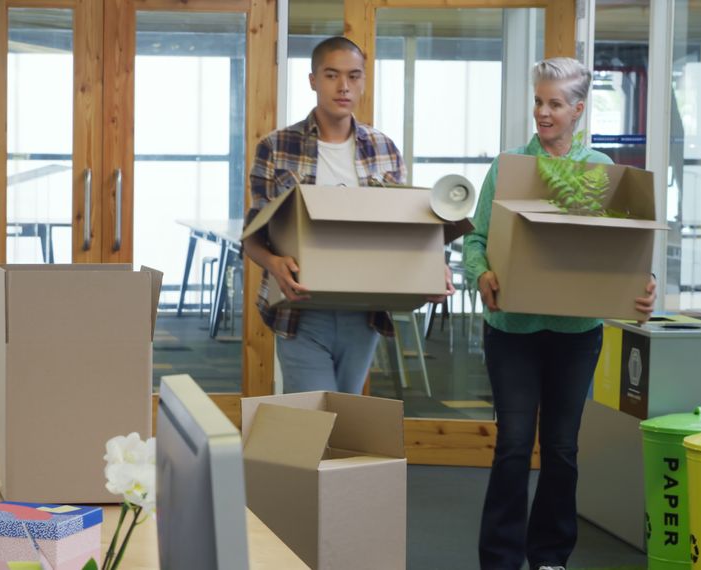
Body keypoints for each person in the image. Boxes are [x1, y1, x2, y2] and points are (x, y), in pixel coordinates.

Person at [462, 57, 657, 570]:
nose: (543, 113)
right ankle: (499, 559)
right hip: (513, 330)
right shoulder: (509, 168)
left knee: (563, 449)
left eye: (554, 104)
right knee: (514, 444)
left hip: (576, 334)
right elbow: (476, 240)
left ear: (578, 109)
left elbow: (626, 252)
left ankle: (549, 556)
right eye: (538, 102)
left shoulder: (603, 174)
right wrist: (481, 273)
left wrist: (644, 288)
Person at [243, 36, 452, 394]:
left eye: (354, 76)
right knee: (314, 423)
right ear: (313, 80)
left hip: (362, 310)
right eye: (331, 75)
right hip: (301, 311)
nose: (344, 86)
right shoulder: (276, 147)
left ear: (364, 81)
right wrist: (275, 264)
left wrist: (433, 269)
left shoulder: (384, 149)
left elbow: (402, 227)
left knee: (345, 417)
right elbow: (253, 234)